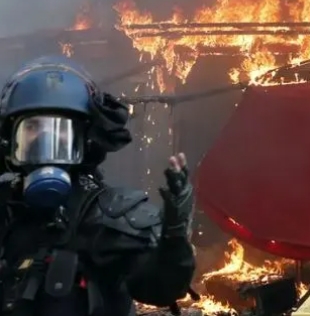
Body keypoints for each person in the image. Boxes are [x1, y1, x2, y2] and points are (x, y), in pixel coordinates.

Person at [0, 56, 196, 315]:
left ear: (85, 141)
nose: (47, 140)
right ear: (11, 142)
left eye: (61, 131)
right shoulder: (5, 211)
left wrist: (174, 234)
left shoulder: (110, 215)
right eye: (34, 129)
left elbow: (159, 289)